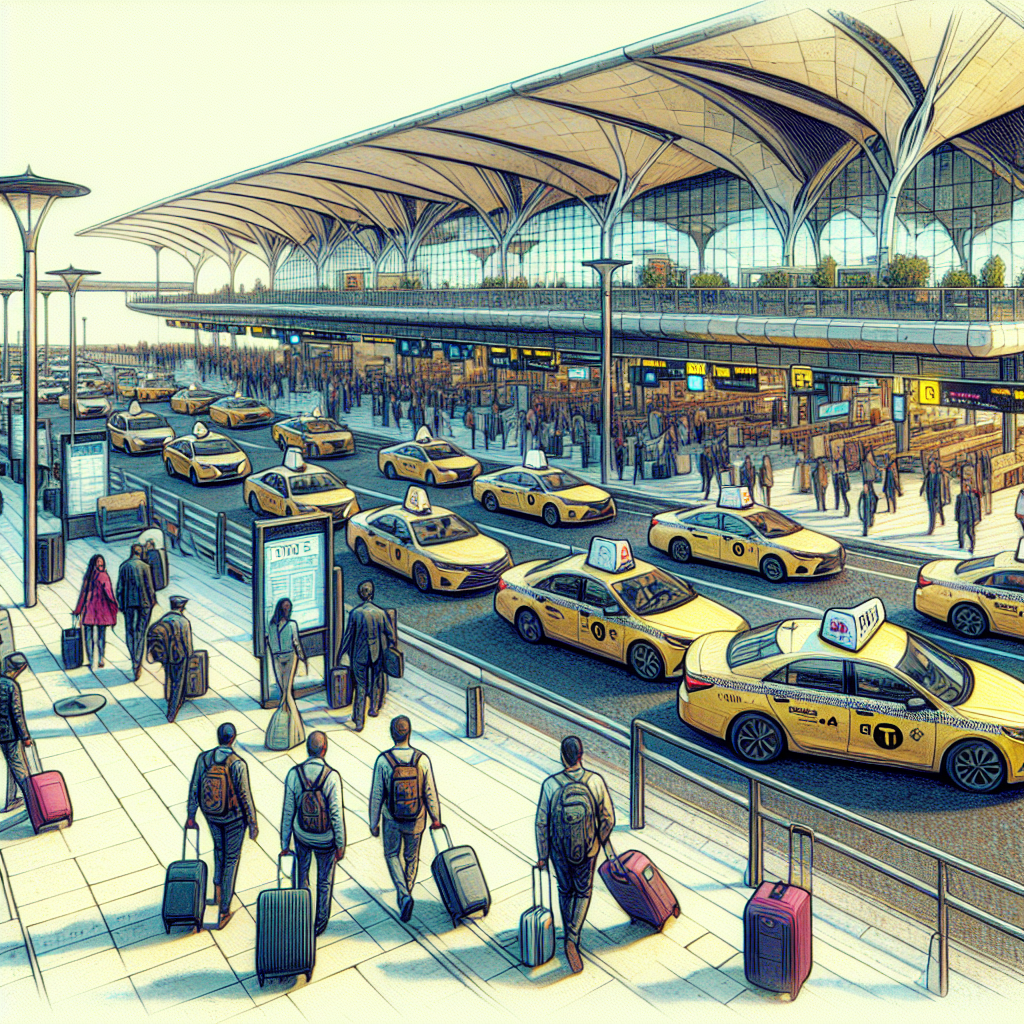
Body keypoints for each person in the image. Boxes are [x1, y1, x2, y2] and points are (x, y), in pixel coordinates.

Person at [535, 736, 614, 975]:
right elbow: (608, 818)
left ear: (562, 756)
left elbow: (541, 823)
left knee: (565, 890)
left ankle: (568, 935)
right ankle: (573, 937)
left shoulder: (550, 785)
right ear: (581, 756)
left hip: (560, 850)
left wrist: (543, 854)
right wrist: (597, 840)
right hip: (588, 850)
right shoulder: (596, 781)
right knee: (583, 891)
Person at [368, 716, 442, 922]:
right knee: (411, 858)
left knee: (392, 854)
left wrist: (373, 822)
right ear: (409, 733)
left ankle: (404, 894)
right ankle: (407, 892)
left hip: (391, 818)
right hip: (416, 818)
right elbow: (430, 792)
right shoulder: (422, 759)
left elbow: (377, 794)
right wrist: (436, 817)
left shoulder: (384, 761)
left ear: (393, 734)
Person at [185, 722, 258, 930]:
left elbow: (195, 787)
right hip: (234, 819)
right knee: (231, 859)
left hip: (212, 815)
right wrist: (252, 823)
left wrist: (192, 814)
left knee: (218, 852)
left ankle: (216, 896)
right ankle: (225, 908)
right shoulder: (237, 763)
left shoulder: (204, 759)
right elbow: (245, 796)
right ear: (233, 738)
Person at [280, 731, 346, 936]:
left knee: (302, 876)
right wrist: (340, 843)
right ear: (324, 750)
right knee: (324, 880)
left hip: (302, 835)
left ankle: (302, 915)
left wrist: (284, 843)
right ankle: (320, 923)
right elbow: (336, 813)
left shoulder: (294, 774)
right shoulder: (331, 776)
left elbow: (288, 810)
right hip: (326, 838)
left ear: (307, 749)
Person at [340, 580, 396, 732]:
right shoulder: (381, 613)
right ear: (372, 594)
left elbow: (348, 637)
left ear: (360, 595)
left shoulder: (355, 613)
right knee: (376, 681)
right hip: (376, 652)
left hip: (360, 655)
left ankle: (359, 720)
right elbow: (391, 635)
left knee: (360, 686)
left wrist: (340, 654)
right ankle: (374, 708)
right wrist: (391, 649)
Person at [264, 597, 307, 751]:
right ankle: (295, 731)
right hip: (282, 656)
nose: (287, 610)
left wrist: (300, 656)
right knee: (285, 691)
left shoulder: (281, 625)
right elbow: (294, 642)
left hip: (285, 656)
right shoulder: (279, 625)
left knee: (286, 692)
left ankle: (289, 730)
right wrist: (303, 657)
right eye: (285, 607)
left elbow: (293, 642)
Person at [147, 595, 194, 723]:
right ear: (182, 608)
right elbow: (188, 646)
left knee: (169, 677)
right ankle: (172, 712)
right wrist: (189, 656)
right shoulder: (184, 622)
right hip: (179, 657)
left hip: (166, 656)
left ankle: (168, 697)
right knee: (178, 683)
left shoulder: (165, 618)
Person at [116, 542, 157, 681]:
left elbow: (119, 588)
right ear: (140, 553)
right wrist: (153, 601)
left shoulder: (124, 566)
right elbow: (150, 587)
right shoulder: (145, 567)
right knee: (141, 632)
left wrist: (121, 605)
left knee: (130, 632)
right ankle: (137, 662)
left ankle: (134, 658)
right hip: (144, 603)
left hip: (129, 604)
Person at [74, 554, 118, 670]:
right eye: (99, 562)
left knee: (88, 637)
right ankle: (101, 659)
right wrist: (115, 605)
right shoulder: (104, 576)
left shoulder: (88, 576)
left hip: (89, 611)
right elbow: (109, 593)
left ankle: (90, 659)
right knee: (101, 637)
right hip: (101, 611)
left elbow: (83, 594)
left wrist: (78, 609)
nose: (100, 564)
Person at [0, 657, 32, 811]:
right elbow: (17, 714)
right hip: (10, 734)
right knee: (19, 767)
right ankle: (33, 799)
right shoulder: (11, 685)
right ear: (17, 670)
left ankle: (11, 799)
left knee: (10, 764)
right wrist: (25, 736)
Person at [955, 481, 982, 554]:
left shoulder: (973, 496)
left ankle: (972, 547)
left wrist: (978, 518)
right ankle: (961, 546)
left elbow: (977, 508)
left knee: (970, 533)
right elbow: (957, 508)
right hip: (962, 518)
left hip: (971, 518)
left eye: (967, 487)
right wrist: (957, 517)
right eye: (965, 487)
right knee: (961, 532)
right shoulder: (960, 496)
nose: (966, 488)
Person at [920, 459, 945, 535]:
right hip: (929, 497)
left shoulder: (938, 476)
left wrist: (937, 498)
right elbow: (925, 483)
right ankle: (941, 520)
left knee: (934, 513)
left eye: (933, 467)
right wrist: (922, 490)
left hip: (935, 498)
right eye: (930, 467)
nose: (931, 469)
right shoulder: (928, 475)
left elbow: (938, 488)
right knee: (934, 511)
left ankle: (931, 529)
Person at [979, 448, 993, 515]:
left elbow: (989, 468)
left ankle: (988, 509)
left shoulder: (986, 459)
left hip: (986, 478)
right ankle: (987, 509)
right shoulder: (981, 460)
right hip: (984, 478)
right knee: (985, 494)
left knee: (987, 493)